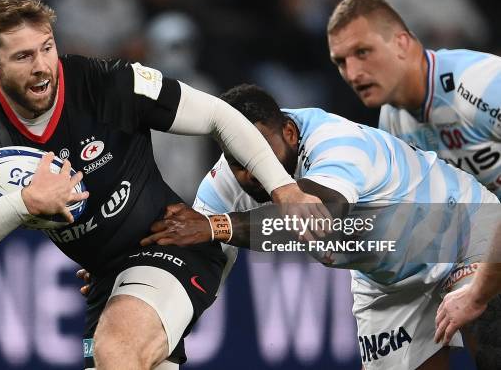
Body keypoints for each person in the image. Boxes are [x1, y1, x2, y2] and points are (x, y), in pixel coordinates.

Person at [0, 0, 308, 370]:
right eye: (23, 56)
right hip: (105, 282)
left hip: (174, 244)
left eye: (47, 47)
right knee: (113, 357)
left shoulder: (107, 83)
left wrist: (285, 188)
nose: (42, 66)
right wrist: (24, 203)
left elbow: (218, 115)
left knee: (116, 350)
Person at [140, 84, 500, 370]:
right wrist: (137, 276)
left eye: (261, 151)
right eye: (237, 160)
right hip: (386, 279)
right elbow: (195, 251)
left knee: (491, 340)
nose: (250, 171)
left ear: (290, 132)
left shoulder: (337, 142)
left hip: (459, 230)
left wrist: (215, 225)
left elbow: (318, 216)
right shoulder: (226, 182)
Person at [326, 0, 501, 368]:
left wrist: (478, 288)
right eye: (340, 62)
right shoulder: (393, 125)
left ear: (402, 43)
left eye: (363, 52)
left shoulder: (481, 83)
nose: (353, 74)